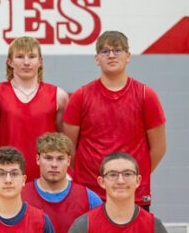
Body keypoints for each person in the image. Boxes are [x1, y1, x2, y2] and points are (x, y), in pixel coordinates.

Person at [62, 31, 167, 208]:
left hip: (133, 195)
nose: (111, 55)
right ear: (97, 59)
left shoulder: (145, 96)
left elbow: (158, 149)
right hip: (90, 194)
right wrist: (91, 174)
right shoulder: (81, 96)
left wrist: (128, 178)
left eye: (117, 50)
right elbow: (69, 149)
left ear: (128, 56)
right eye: (105, 51)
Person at [0, 36, 69, 180]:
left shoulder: (59, 96)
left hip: (45, 179)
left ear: (40, 61)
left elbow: (65, 143)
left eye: (32, 56)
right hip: (7, 177)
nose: (26, 62)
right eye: (20, 56)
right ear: (10, 62)